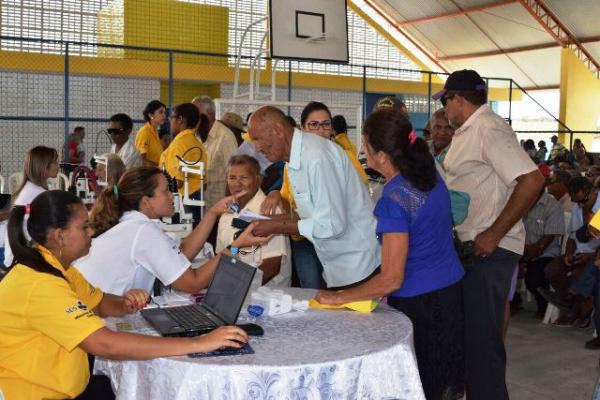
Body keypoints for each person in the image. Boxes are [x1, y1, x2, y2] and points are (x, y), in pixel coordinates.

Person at [0, 190, 249, 400]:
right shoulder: (40, 284)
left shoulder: (55, 267)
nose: (91, 232)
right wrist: (200, 343)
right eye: (84, 226)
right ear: (59, 236)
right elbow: (105, 344)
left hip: (63, 385)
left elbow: (99, 303)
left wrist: (124, 303)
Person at [315, 109, 465, 400]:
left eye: (366, 146)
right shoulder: (429, 176)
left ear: (381, 156)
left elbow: (392, 278)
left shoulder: (394, 199)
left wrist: (341, 296)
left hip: (422, 306)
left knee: (423, 386)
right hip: (451, 292)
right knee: (445, 384)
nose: (362, 151)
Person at [435, 69, 544, 400]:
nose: (445, 111)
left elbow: (532, 180)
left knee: (482, 351)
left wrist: (494, 233)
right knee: (470, 345)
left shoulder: (488, 128)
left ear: (459, 99)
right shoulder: (471, 130)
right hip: (472, 250)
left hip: (489, 252)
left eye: (447, 101)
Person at [76, 166, 267, 295]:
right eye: (165, 191)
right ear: (146, 202)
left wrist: (213, 213)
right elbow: (193, 283)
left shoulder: (132, 224)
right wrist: (236, 246)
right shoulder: (142, 231)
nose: (172, 196)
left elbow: (180, 255)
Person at [248, 106, 380, 289]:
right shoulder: (294, 161)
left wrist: (275, 225)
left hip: (359, 268)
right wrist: (267, 221)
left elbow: (331, 224)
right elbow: (313, 214)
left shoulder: (316, 157)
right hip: (338, 269)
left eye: (257, 139)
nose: (257, 147)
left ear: (277, 130)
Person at [216, 155, 291, 287]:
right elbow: (222, 258)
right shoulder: (226, 215)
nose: (237, 184)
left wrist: (237, 290)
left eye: (244, 178)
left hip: (269, 295)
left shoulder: (270, 211)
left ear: (258, 179)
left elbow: (272, 266)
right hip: (236, 289)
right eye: (232, 178)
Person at [4, 146, 60, 268]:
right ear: (44, 167)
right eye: (55, 162)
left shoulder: (30, 189)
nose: (58, 165)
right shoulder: (38, 194)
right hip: (23, 259)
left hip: (16, 256)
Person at [160, 103, 208, 226]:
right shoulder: (198, 144)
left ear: (180, 119)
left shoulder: (179, 144)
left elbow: (177, 181)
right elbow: (204, 183)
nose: (170, 121)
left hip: (181, 203)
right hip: (197, 199)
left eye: (172, 117)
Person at [521, 186, 565, 316]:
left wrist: (530, 252)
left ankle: (543, 305)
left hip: (545, 252)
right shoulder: (520, 200)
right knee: (500, 265)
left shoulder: (552, 206)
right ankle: (512, 300)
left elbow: (547, 240)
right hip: (521, 247)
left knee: (534, 278)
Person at [192, 96, 238, 209]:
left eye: (195, 113)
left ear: (208, 113)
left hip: (219, 206)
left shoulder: (225, 137)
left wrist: (229, 206)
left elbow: (234, 173)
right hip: (201, 203)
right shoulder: (197, 136)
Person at [135, 100, 167, 166]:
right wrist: (158, 168)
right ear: (151, 115)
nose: (164, 115)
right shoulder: (144, 132)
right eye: (160, 112)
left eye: (164, 112)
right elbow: (141, 160)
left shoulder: (155, 132)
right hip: (148, 174)